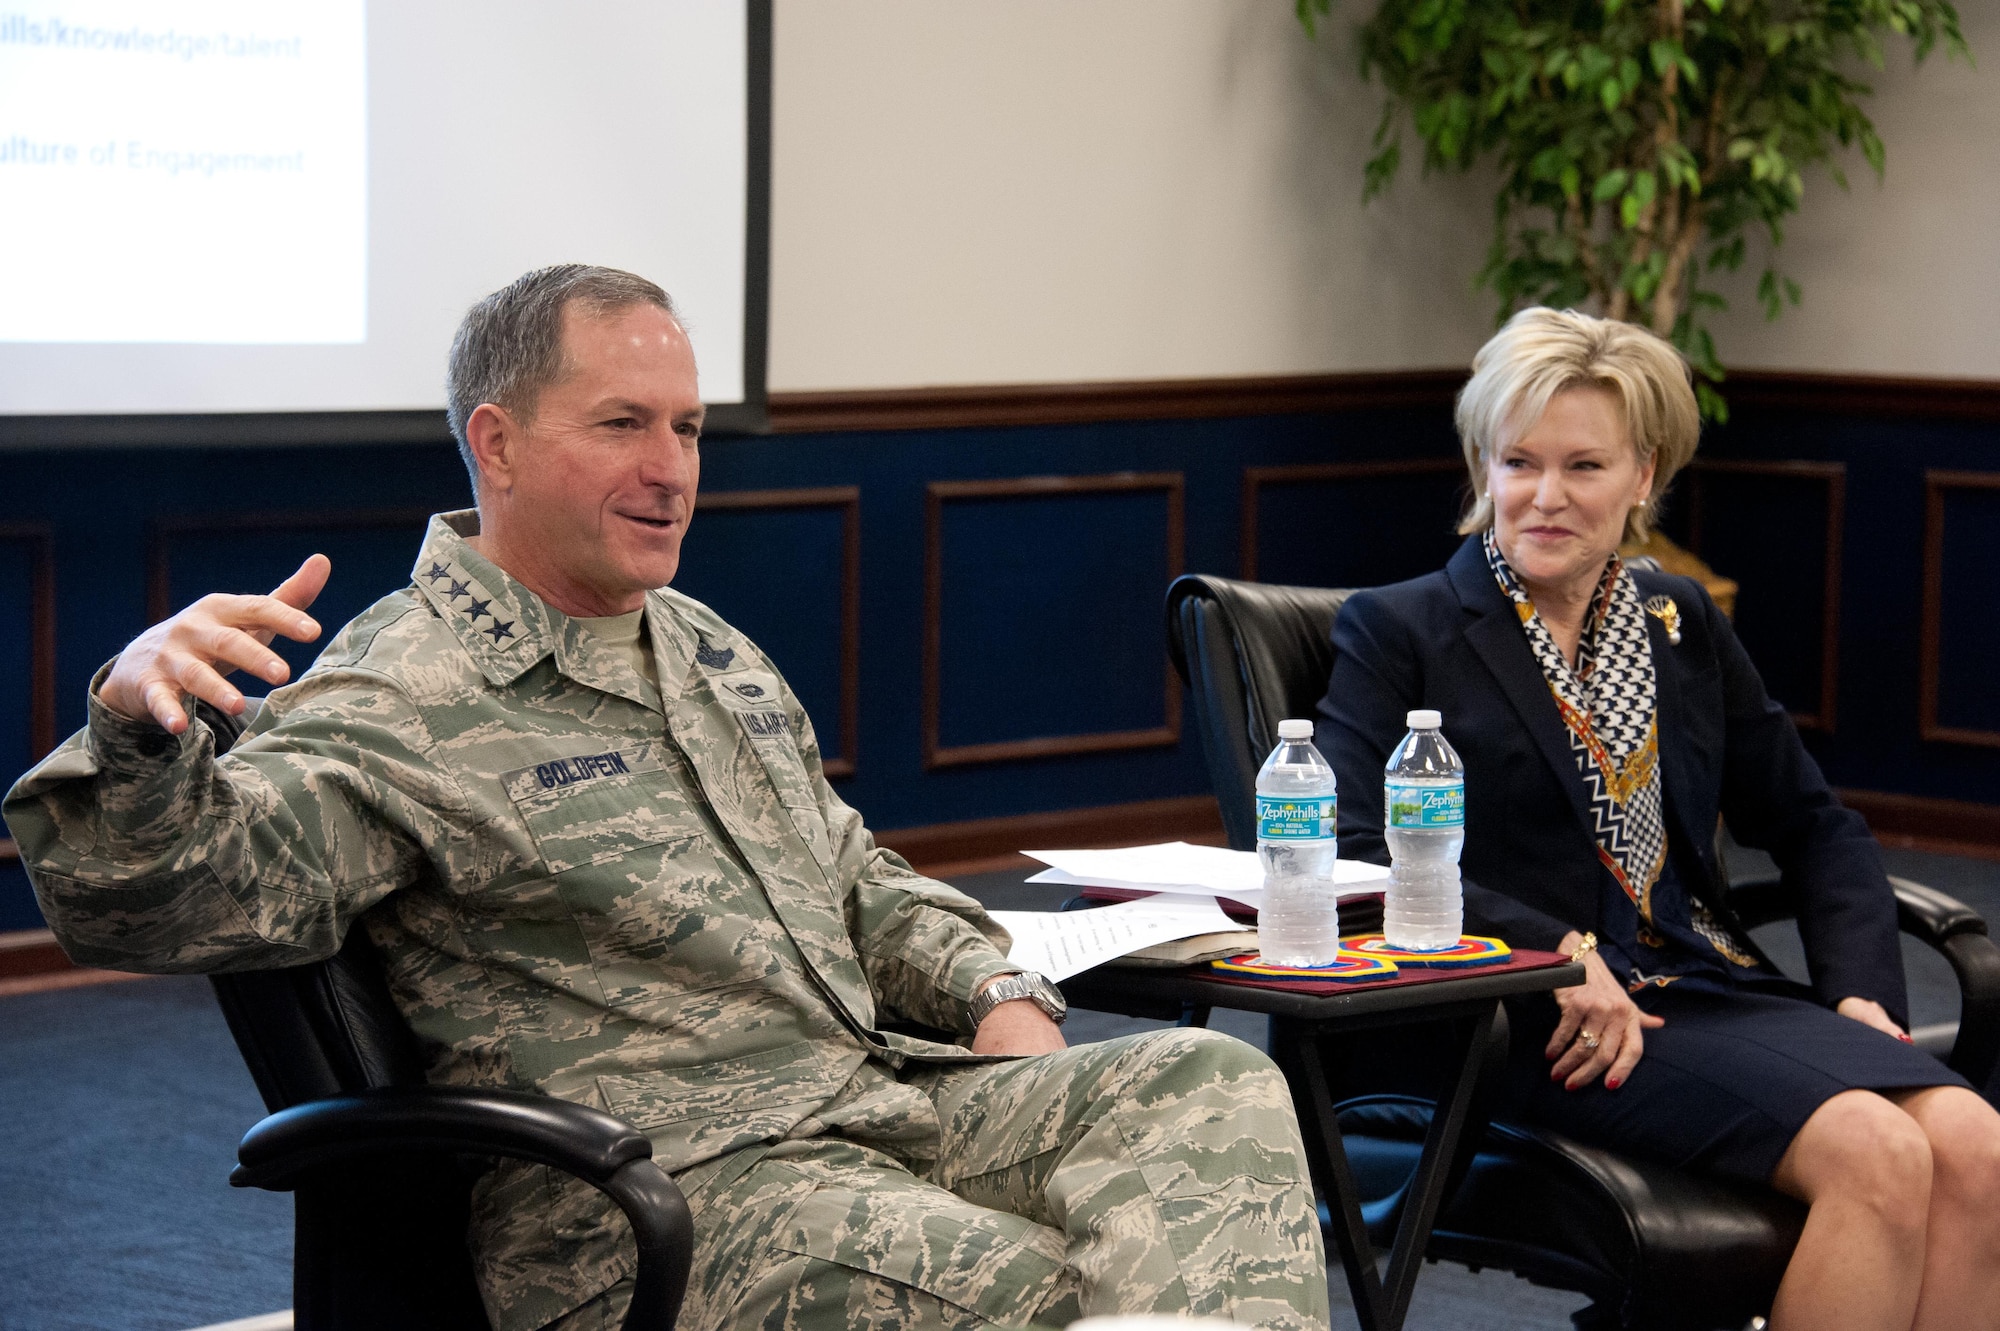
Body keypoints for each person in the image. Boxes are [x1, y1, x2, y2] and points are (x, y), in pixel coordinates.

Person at [3, 265, 1329, 1331]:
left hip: (868, 1107)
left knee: (1206, 1090)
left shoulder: (702, 646)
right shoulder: (401, 687)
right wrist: (134, 721)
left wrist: (992, 995)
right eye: (624, 424)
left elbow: (851, 873)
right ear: (497, 443)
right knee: (1055, 1284)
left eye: (687, 426)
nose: (675, 465)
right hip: (667, 1192)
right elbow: (177, 896)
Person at [1316, 306, 2000, 1331]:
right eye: (1517, 461)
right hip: (1514, 1018)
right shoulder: (1401, 626)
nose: (1543, 496)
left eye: (1583, 466)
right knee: (1875, 1149)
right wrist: (1548, 949)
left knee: (1979, 1146)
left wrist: (1860, 991)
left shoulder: (1674, 620)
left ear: (1643, 476)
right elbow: (1345, 853)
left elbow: (1814, 824)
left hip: (1689, 981)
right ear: (1480, 465)